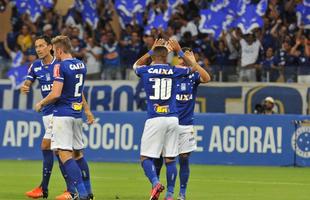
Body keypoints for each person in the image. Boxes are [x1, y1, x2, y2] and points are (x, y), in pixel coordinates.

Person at [22, 35, 94, 200]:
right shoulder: (80, 64)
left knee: (61, 152)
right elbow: (77, 88)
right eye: (36, 46)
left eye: (44, 46)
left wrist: (41, 103)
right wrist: (86, 110)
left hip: (60, 114)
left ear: (55, 49)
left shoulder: (59, 66)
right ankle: (86, 193)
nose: (39, 49)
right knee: (75, 153)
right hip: (74, 114)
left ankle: (75, 192)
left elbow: (56, 94)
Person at [133, 38, 199, 200]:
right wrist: (179, 51)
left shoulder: (145, 70)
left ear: (154, 56)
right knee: (170, 159)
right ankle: (170, 195)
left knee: (145, 157)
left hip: (155, 117)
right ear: (167, 57)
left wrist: (151, 50)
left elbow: (136, 65)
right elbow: (194, 67)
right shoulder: (174, 70)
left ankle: (155, 183)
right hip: (173, 119)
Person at [153, 47, 210, 200]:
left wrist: (194, 63)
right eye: (181, 56)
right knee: (160, 157)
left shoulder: (193, 76)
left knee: (184, 158)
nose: (184, 59)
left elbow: (207, 78)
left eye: (188, 56)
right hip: (167, 122)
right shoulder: (172, 73)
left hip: (185, 124)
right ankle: (158, 188)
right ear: (177, 58)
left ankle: (181, 193)